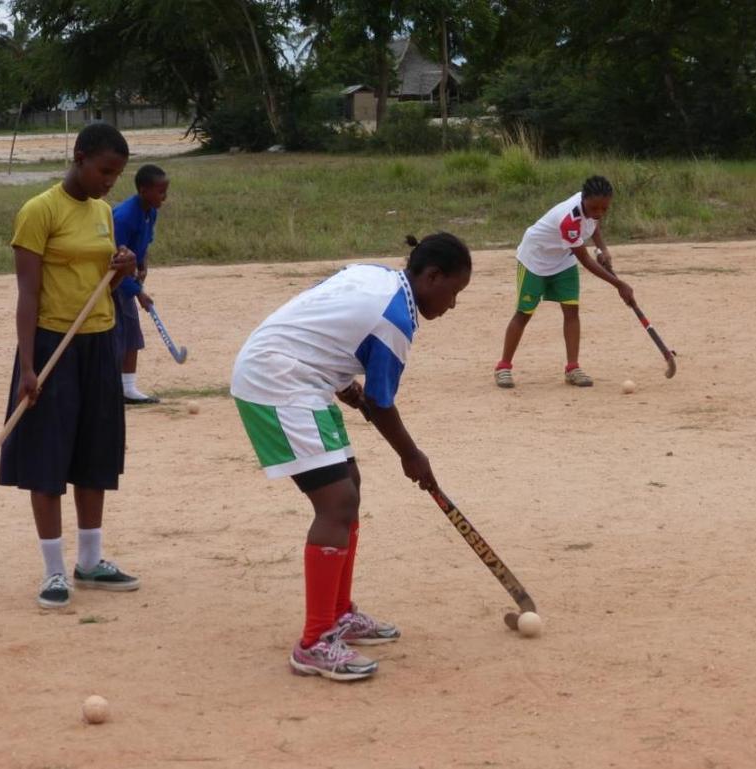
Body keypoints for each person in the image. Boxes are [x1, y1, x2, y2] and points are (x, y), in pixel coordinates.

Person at [230, 233, 472, 682]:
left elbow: (323, 323)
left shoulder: (378, 275)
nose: (453, 305)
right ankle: (316, 641)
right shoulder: (396, 320)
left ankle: (338, 614)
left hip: (302, 377)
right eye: (453, 292)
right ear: (432, 276)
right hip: (279, 381)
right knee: (336, 502)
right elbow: (381, 405)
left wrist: (343, 383)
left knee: (349, 488)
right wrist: (412, 456)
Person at [0, 123, 142, 609]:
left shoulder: (103, 212)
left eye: (116, 175)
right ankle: (55, 572)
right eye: (104, 170)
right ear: (79, 157)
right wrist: (28, 365)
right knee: (47, 458)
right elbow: (27, 294)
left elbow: (107, 275)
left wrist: (122, 267)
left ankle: (90, 562)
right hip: (51, 344)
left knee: (95, 455)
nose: (109, 182)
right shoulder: (38, 212)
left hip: (99, 341)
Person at [493, 175, 634, 388]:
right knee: (524, 313)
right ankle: (503, 367)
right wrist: (618, 284)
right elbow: (585, 259)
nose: (599, 213)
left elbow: (593, 224)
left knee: (571, 311)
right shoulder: (569, 218)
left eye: (604, 209)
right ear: (583, 199)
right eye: (595, 208)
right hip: (535, 260)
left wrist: (602, 248)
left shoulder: (592, 206)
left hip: (562, 259)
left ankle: (572, 368)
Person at [112, 164, 170, 404]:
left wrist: (143, 268)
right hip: (113, 284)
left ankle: (127, 388)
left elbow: (142, 247)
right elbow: (114, 261)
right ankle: (114, 388)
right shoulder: (124, 217)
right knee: (116, 335)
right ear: (144, 191)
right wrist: (138, 292)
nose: (164, 197)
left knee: (131, 333)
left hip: (128, 279)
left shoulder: (150, 211)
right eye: (160, 192)